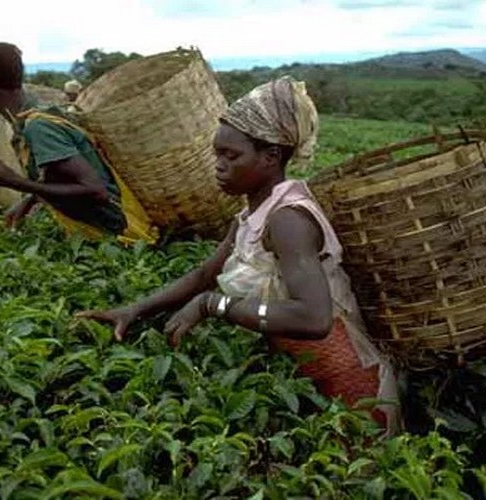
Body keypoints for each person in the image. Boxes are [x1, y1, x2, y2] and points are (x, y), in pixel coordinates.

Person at [80, 77, 400, 434]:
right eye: (217, 154)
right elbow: (204, 275)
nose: (218, 165)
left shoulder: (288, 220)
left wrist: (214, 305)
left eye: (231, 156)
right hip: (307, 381)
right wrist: (134, 310)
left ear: (271, 157)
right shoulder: (252, 216)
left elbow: (314, 319)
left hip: (352, 387)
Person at [0, 42, 157, 244]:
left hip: (122, 238)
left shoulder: (38, 127)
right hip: (101, 235)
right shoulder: (30, 120)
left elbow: (95, 190)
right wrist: (29, 201)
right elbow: (59, 178)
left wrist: (15, 182)